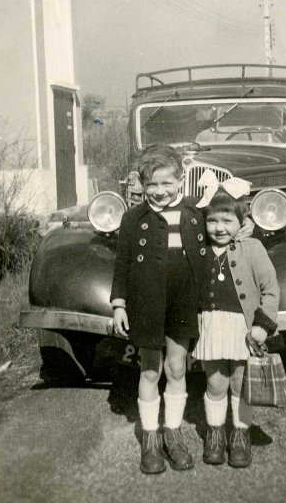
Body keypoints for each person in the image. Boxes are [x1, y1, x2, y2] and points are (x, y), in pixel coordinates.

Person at [110, 145, 253, 475]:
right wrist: (119, 303)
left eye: (167, 184)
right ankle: (150, 439)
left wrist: (244, 228)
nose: (160, 192)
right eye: (152, 186)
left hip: (183, 302)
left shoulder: (194, 211)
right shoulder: (132, 219)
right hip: (145, 303)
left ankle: (172, 434)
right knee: (149, 370)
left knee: (176, 370)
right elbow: (122, 265)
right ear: (141, 186)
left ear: (180, 180)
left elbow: (223, 226)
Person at [192, 170, 280, 468]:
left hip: (243, 330)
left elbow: (270, 290)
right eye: (212, 220)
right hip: (211, 328)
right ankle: (215, 434)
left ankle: (240, 434)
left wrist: (262, 326)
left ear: (242, 223)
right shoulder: (200, 249)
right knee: (216, 383)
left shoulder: (252, 248)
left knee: (240, 384)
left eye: (227, 220)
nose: (219, 227)